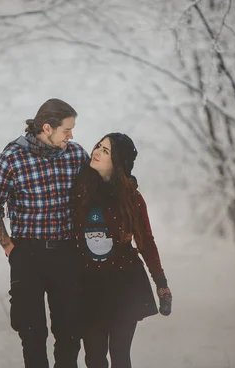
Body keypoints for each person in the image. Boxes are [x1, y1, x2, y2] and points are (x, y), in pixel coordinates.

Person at [0, 98, 89, 368]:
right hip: (27, 254)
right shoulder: (12, 157)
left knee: (70, 331)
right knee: (31, 331)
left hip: (67, 253)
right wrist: (9, 248)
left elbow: (100, 190)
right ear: (47, 128)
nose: (71, 135)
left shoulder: (76, 155)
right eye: (67, 129)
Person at [70, 132, 172, 368]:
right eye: (98, 146)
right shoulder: (80, 192)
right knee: (94, 358)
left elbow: (145, 242)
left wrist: (161, 284)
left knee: (120, 356)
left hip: (124, 283)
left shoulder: (132, 198)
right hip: (89, 284)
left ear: (119, 163)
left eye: (106, 151)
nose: (96, 151)